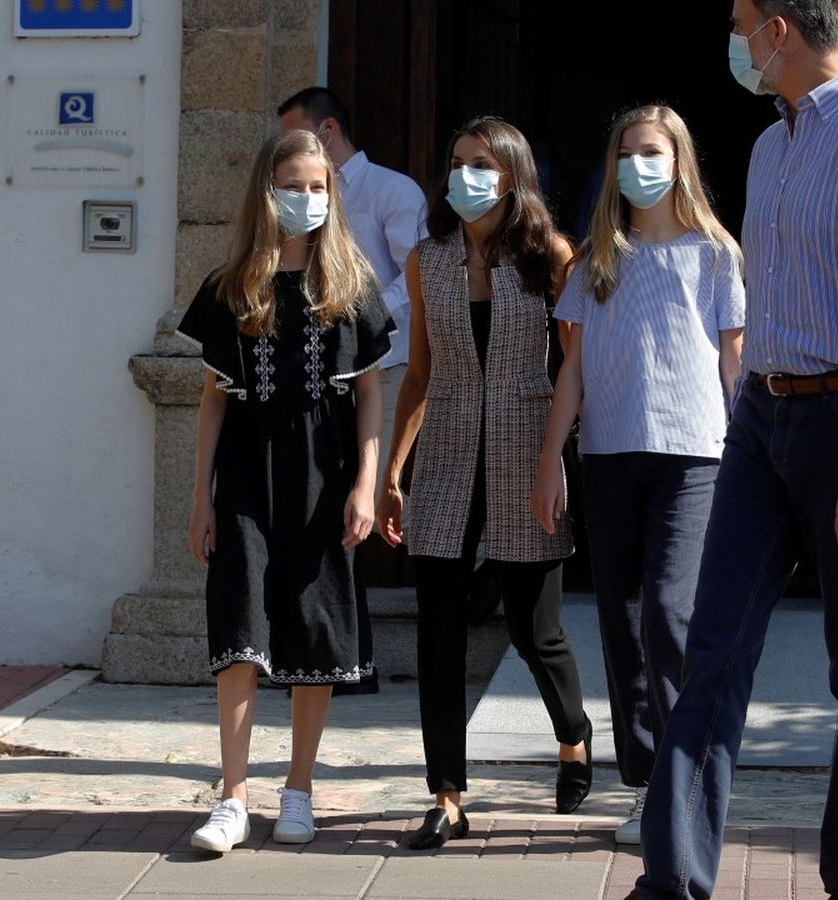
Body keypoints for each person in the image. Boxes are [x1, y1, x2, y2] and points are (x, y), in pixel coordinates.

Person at [633, 1, 838, 898]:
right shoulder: (771, 146)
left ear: (780, 31)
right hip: (764, 421)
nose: (733, 40)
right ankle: (671, 882)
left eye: (740, 21)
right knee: (712, 653)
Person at [531, 105, 746, 847]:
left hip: (694, 456)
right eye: (626, 154)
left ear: (680, 161)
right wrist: (551, 460)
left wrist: (753, 460)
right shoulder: (597, 258)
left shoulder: (715, 254)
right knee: (621, 625)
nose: (638, 166)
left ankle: (685, 784)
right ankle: (651, 784)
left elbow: (735, 363)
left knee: (668, 615)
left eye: (652, 152)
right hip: (609, 454)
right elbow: (573, 369)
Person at [377, 116, 592, 850]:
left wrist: (557, 460)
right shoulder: (427, 260)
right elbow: (418, 373)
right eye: (457, 161)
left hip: (527, 451)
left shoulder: (550, 256)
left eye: (481, 164)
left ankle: (574, 737)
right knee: (438, 633)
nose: (464, 176)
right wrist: (393, 472)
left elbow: (575, 367)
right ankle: (446, 795)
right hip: (445, 456)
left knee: (535, 631)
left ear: (512, 176)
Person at [179, 129, 394, 854]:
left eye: (317, 187)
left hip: (324, 474)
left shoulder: (350, 285)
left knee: (314, 625)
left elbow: (370, 393)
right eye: (293, 185)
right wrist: (200, 498)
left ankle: (298, 790)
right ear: (266, 192)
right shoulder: (231, 286)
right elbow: (213, 400)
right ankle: (233, 797)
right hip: (245, 473)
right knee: (240, 627)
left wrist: (366, 484)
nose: (306, 198)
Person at [278, 87, 428, 492]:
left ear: (327, 130)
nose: (288, 149)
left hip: (386, 368)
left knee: (376, 496)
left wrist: (361, 315)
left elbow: (418, 278)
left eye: (296, 136)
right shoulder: (295, 196)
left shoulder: (392, 190)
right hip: (320, 374)